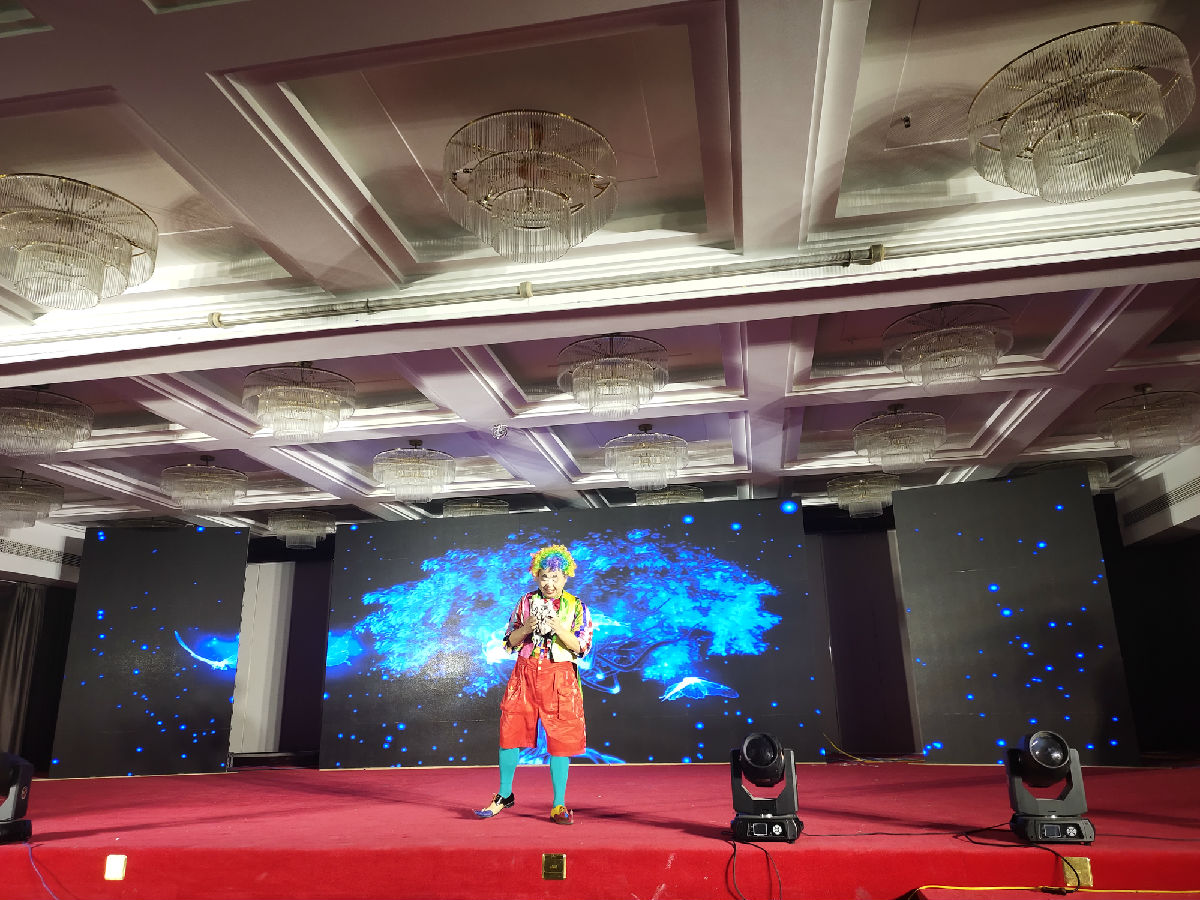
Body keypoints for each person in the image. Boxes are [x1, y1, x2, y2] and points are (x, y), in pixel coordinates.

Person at [475, 544, 593, 825]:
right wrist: (527, 627)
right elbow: (508, 643)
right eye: (544, 577)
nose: (549, 583)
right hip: (525, 673)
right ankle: (504, 795)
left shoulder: (577, 606)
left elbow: (582, 647)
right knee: (510, 732)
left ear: (566, 577)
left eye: (555, 577)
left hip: (559, 677)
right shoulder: (525, 602)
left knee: (561, 741)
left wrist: (558, 626)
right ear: (537, 577)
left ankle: (559, 804)